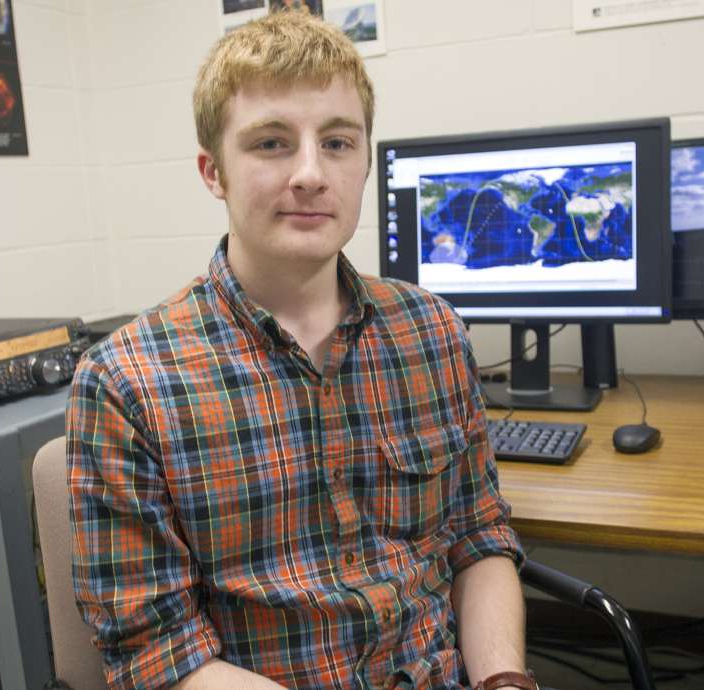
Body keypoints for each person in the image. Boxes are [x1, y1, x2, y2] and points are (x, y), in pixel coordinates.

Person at [67, 11, 531, 690]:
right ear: (213, 172)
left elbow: (479, 540)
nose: (311, 174)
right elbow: (158, 655)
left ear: (366, 162)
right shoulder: (126, 383)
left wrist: (505, 682)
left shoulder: (432, 332)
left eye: (338, 143)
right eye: (272, 144)